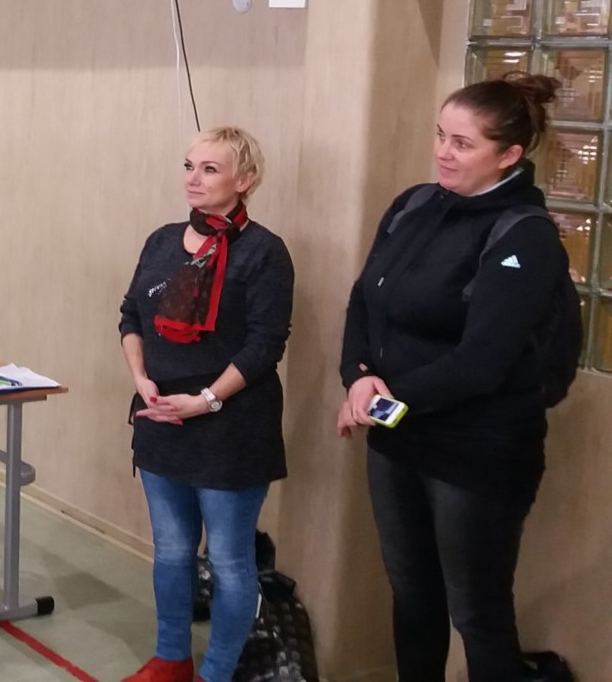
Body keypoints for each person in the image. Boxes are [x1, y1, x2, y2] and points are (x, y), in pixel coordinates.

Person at [337, 73, 570, 682]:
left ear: (509, 156)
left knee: (476, 612)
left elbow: (481, 362)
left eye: (463, 144)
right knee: (412, 592)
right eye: (441, 135)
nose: (443, 152)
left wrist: (381, 400)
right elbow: (365, 299)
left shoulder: (524, 234)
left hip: (476, 452)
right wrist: (358, 377)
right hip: (400, 436)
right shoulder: (414, 206)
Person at [117, 125, 295, 682]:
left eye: (210, 169)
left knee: (228, 559)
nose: (194, 178)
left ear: (245, 180)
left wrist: (206, 400)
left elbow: (264, 345)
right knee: (171, 550)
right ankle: (171, 658)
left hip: (231, 424)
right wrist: (142, 379)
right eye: (189, 166)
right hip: (161, 417)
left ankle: (216, 673)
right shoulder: (162, 241)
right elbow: (131, 315)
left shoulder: (264, 252)